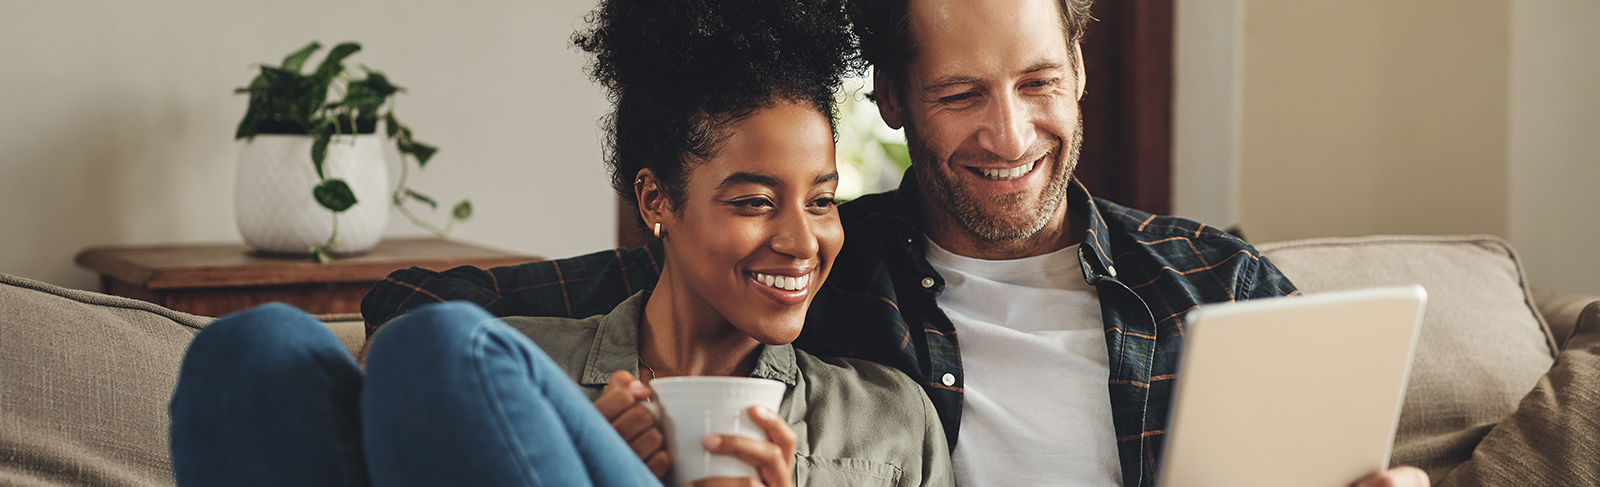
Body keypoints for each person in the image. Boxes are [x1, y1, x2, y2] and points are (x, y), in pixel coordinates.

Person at [362, 0, 1427, 486]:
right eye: (961, 95)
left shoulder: (1214, 283)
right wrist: (583, 435)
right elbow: (424, 322)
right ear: (892, 100)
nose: (1010, 135)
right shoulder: (821, 264)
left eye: (1037, 83)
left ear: (1079, 66)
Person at [171, 0, 954, 486]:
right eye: (753, 201)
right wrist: (569, 453)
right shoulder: (524, 371)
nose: (802, 240)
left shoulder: (889, 421)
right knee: (246, 351)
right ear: (655, 200)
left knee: (440, 345)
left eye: (822, 200)